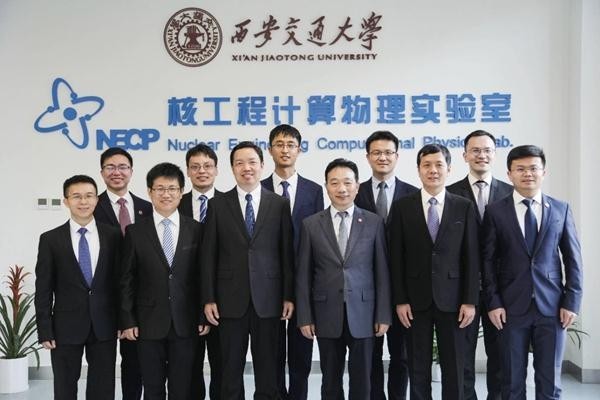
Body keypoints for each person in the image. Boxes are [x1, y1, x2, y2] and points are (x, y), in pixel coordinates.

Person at [482, 145, 583, 400]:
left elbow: (573, 259)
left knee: (550, 383)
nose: (528, 174)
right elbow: (488, 261)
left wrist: (571, 302)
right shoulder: (495, 211)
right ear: (509, 174)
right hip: (510, 308)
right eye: (520, 169)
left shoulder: (560, 209)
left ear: (543, 172)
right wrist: (493, 302)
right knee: (512, 382)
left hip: (552, 308)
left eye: (533, 168)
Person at [201, 141, 295, 400]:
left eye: (252, 162)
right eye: (239, 163)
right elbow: (209, 256)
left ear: (262, 165)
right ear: (232, 168)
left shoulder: (279, 204)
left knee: (269, 369)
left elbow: (286, 254)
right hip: (229, 300)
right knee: (230, 370)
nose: (246, 168)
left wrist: (288, 295)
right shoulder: (218, 205)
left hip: (269, 300)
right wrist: (209, 298)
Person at [389, 144, 480, 400]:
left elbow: (471, 257)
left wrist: (470, 300)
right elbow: (396, 258)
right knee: (417, 365)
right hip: (414, 301)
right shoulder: (402, 207)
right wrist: (400, 300)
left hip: (454, 300)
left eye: (439, 165)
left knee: (455, 366)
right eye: (426, 165)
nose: (433, 170)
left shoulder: (463, 206)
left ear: (449, 169)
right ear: (418, 169)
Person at [296, 158, 392, 399]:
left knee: (363, 381)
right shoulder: (311, 225)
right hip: (326, 313)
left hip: (364, 313)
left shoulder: (373, 222)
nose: (342, 189)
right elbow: (304, 275)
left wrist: (383, 314)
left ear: (357, 186)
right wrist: (305, 316)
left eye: (348, 183)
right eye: (335, 183)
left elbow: (381, 272)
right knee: (330, 381)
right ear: (326, 186)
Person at [120, 162, 210, 400]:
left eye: (172, 189)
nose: (166, 194)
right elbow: (127, 280)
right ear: (150, 192)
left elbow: (202, 276)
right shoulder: (135, 232)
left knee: (182, 388)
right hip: (147, 323)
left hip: (186, 322)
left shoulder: (197, 230)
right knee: (153, 388)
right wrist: (128, 320)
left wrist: (202, 315)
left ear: (181, 192)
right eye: (160, 189)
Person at [35, 175, 121, 400]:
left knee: (103, 387)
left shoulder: (113, 236)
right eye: (76, 196)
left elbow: (120, 282)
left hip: (104, 324)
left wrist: (123, 320)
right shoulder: (50, 239)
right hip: (64, 327)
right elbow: (43, 288)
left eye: (89, 196)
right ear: (66, 201)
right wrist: (45, 329)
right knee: (64, 387)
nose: (83, 201)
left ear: (97, 200)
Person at [447, 130, 513, 400]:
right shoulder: (450, 194)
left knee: (501, 356)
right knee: (462, 356)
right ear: (465, 155)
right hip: (462, 289)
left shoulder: (511, 193)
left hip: (502, 290)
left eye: (487, 150)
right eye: (475, 150)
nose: (481, 155)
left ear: (495, 155)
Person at [262, 124, 324, 400]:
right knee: (272, 349)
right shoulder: (259, 188)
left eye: (290, 145)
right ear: (270, 150)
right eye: (279, 144)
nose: (285, 150)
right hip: (269, 281)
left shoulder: (314, 190)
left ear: (299, 150)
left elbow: (319, 235)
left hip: (304, 280)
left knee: (301, 350)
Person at [355, 130, 417, 400]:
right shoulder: (355, 192)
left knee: (401, 355)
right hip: (366, 287)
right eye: (377, 152)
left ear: (397, 156)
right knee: (370, 354)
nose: (383, 157)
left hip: (404, 288)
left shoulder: (413, 194)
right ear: (368, 156)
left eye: (388, 152)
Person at [94, 147, 152, 400]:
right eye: (110, 167)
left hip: (137, 297)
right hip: (102, 296)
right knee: (102, 362)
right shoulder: (91, 205)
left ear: (131, 171)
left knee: (134, 360)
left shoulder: (147, 207)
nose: (116, 172)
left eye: (122, 167)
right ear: (102, 172)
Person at [178, 143, 222, 400]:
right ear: (188, 171)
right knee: (189, 368)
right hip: (184, 300)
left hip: (223, 300)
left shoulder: (230, 203)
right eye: (195, 167)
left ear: (216, 170)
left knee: (223, 366)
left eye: (207, 166)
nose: (201, 171)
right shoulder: (175, 203)